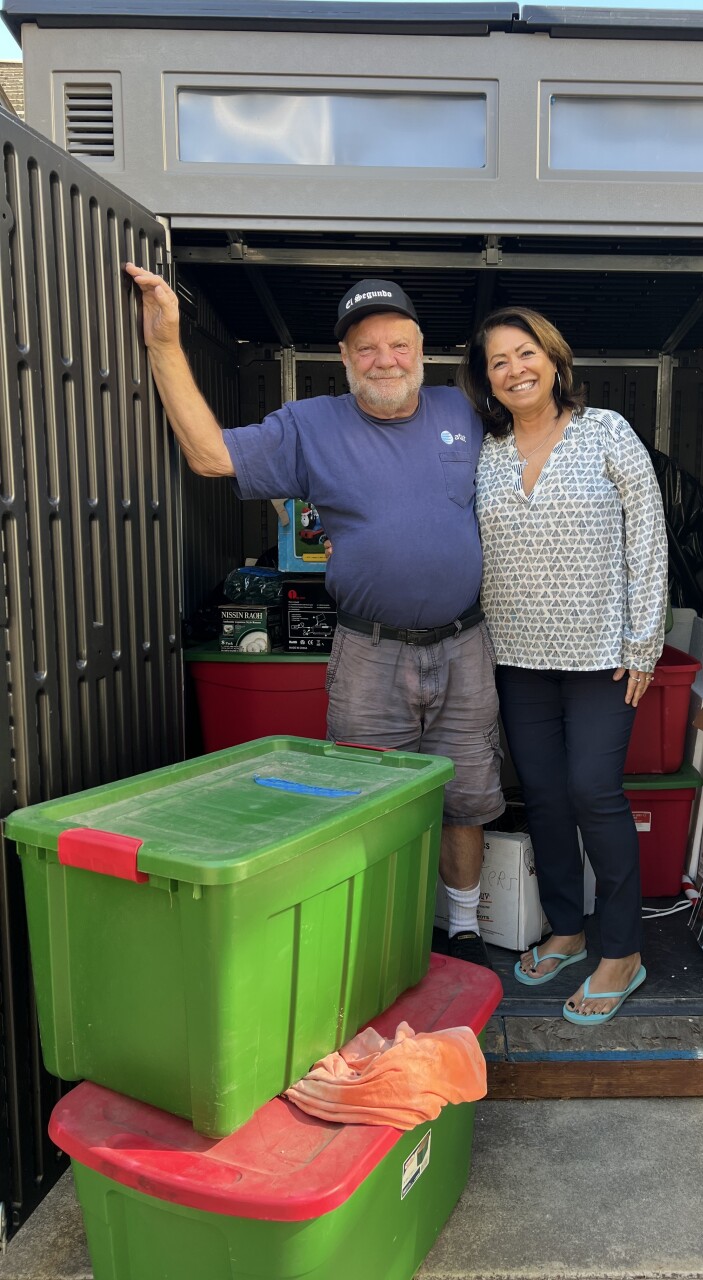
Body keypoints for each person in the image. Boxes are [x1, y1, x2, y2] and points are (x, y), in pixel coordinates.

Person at [125, 265, 504, 966]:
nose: (384, 360)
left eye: (397, 344)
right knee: (360, 800)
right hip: (369, 653)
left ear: (422, 350)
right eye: (366, 349)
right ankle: (377, 933)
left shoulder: (464, 413)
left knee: (469, 794)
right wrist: (164, 344)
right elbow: (210, 457)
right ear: (345, 360)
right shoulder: (309, 424)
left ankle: (463, 929)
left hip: (465, 644)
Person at [458, 306, 669, 1023]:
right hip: (516, 656)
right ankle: (567, 929)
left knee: (592, 793)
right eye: (498, 362)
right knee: (543, 796)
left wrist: (644, 642)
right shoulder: (485, 454)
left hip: (603, 659)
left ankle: (623, 950)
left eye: (526, 353)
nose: (515, 369)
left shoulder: (606, 432)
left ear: (554, 359)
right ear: (486, 381)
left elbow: (648, 538)